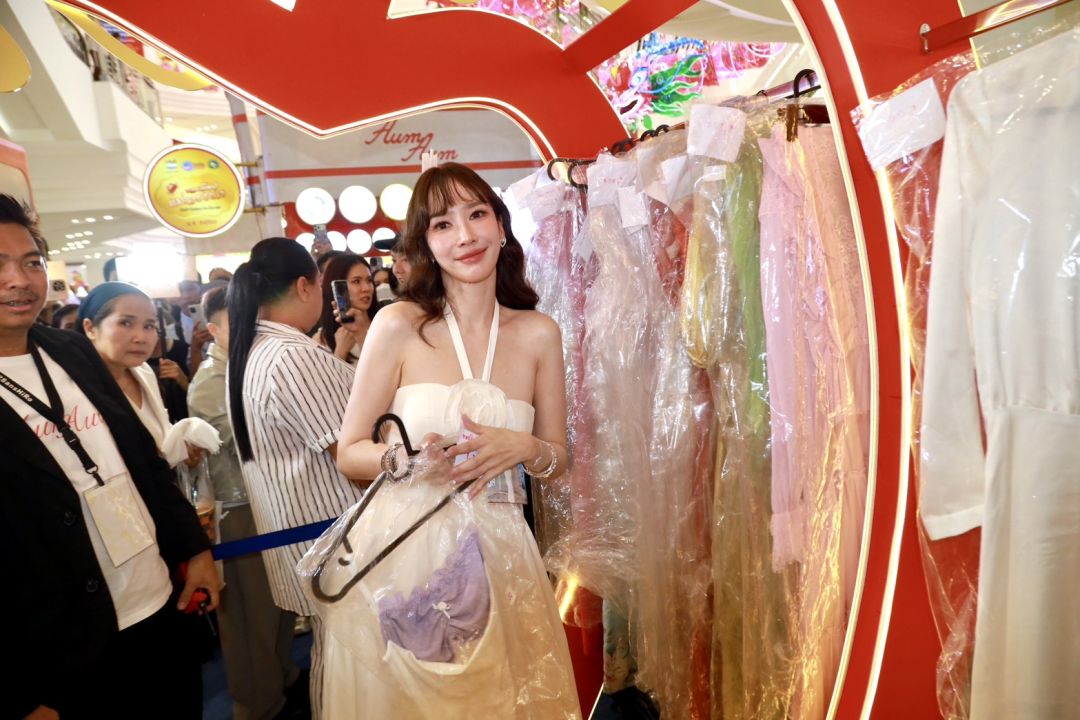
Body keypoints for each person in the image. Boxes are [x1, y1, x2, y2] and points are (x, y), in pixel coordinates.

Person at [329, 163, 580, 717]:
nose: (465, 235)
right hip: (403, 552)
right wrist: (409, 459)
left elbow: (557, 458)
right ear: (425, 244)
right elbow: (349, 453)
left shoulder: (538, 333)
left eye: (477, 214)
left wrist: (524, 448)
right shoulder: (398, 324)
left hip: (503, 552)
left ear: (501, 226)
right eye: (442, 224)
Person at [0, 196, 220, 718]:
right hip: (61, 652)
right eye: (0, 265)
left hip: (158, 606)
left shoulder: (71, 351)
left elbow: (143, 461)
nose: (20, 280)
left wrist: (196, 551)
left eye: (31, 262)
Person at [227, 236, 368, 719]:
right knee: (360, 675)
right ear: (306, 286)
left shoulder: (256, 349)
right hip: (339, 547)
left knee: (344, 670)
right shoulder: (290, 356)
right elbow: (352, 458)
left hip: (310, 542)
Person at [187, 285, 305, 720]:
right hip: (238, 509)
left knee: (276, 607)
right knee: (249, 616)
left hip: (268, 501)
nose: (248, 331)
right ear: (213, 329)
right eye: (235, 323)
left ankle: (283, 678)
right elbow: (249, 440)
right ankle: (256, 704)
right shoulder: (210, 381)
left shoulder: (245, 366)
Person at [76, 282, 216, 469]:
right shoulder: (76, 389)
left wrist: (182, 449)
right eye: (125, 323)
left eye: (149, 325)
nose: (140, 337)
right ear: (90, 328)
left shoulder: (144, 371)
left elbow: (160, 437)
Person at [315, 253, 376, 363]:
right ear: (338, 288)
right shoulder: (321, 340)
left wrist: (361, 335)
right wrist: (340, 353)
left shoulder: (386, 324)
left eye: (369, 280)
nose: (366, 288)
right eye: (356, 281)